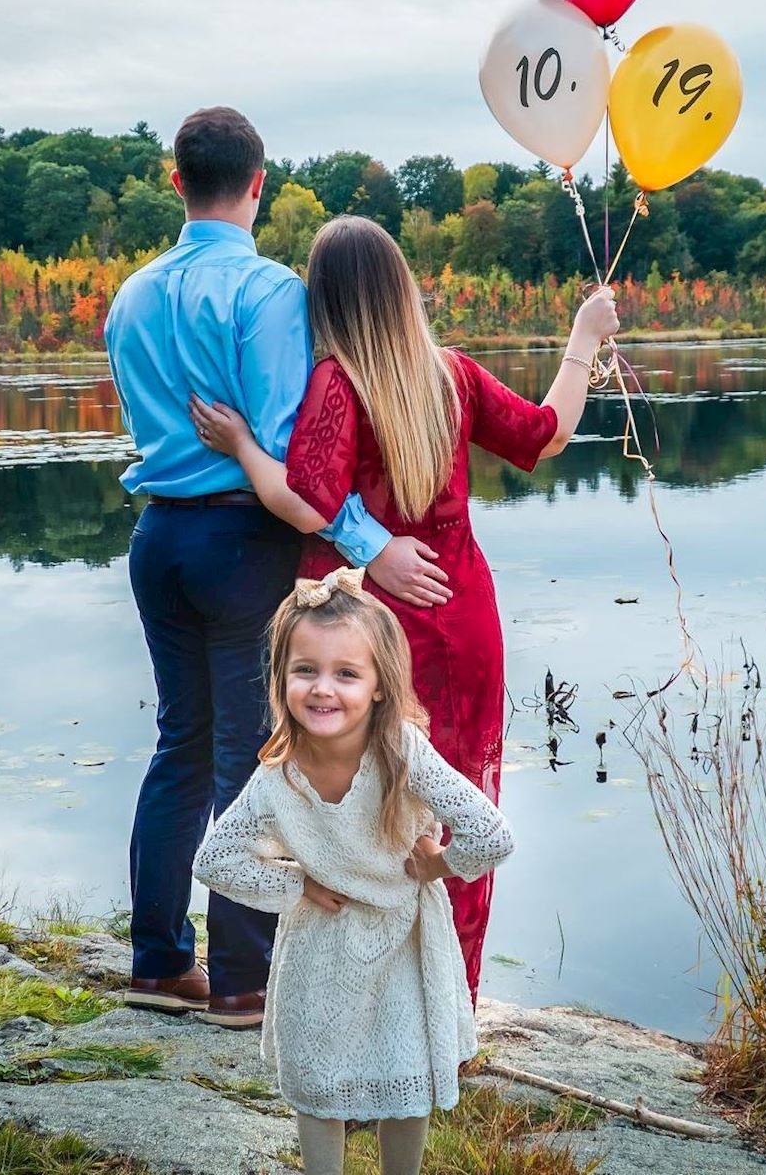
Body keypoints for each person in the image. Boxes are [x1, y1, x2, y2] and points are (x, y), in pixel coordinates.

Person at [190, 215, 619, 998]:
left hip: (366, 632)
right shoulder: (450, 374)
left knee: (362, 816)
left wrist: (243, 444)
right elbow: (549, 434)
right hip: (459, 616)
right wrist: (583, 338)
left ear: (325, 301)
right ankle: (451, 1012)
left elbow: (301, 501)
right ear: (401, 290)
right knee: (454, 809)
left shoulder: (336, 383)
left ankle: (377, 1005)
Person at [104, 109, 454, 1027]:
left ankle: (155, 962)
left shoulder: (129, 298)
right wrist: (372, 543)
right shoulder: (266, 295)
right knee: (242, 755)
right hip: (239, 541)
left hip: (158, 541)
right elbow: (293, 467)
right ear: (258, 184)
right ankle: (241, 983)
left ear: (176, 182)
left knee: (179, 743)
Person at [193, 570, 513, 1175]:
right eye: (305, 670)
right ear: (280, 678)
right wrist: (298, 885)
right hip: (322, 944)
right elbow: (214, 860)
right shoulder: (277, 777)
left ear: (380, 686)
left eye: (346, 673)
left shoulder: (404, 755)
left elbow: (491, 834)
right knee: (318, 1077)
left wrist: (439, 864)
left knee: (406, 1072)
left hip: (404, 943)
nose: (323, 689)